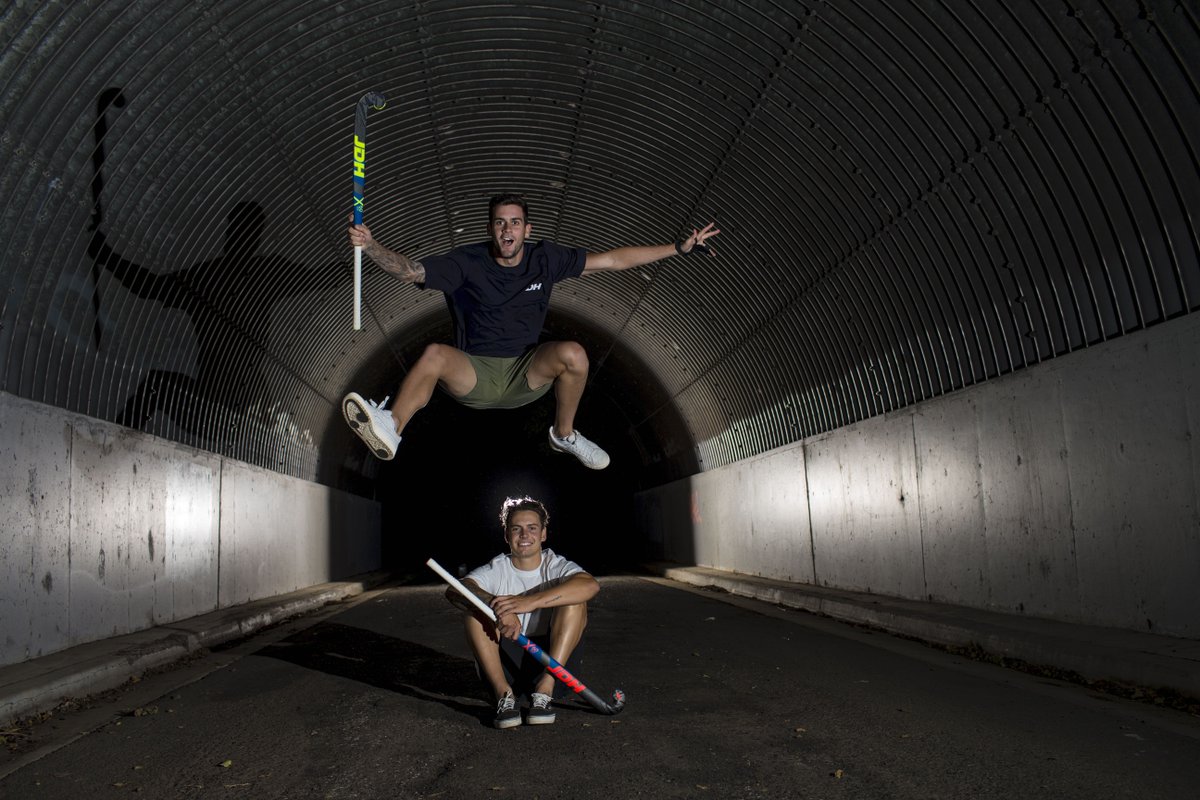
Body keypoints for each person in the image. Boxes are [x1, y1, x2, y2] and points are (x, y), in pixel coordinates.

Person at [342, 193, 720, 469]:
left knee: (573, 353)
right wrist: (371, 246)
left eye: (515, 222)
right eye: (500, 223)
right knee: (434, 355)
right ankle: (391, 426)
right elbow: (412, 272)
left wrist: (678, 248)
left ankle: (564, 434)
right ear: (490, 228)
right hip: (474, 373)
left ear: (527, 229)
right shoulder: (467, 262)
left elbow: (613, 260)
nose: (508, 230)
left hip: (526, 372)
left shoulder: (546, 259)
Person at [446, 496, 599, 729]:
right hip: (507, 666)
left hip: (553, 666)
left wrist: (527, 602)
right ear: (507, 536)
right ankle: (503, 696)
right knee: (473, 607)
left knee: (575, 601)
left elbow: (590, 585)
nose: (525, 535)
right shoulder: (497, 568)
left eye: (532, 528)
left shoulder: (555, 565)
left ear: (543, 534)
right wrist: (496, 606)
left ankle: (544, 693)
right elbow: (455, 590)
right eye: (516, 529)